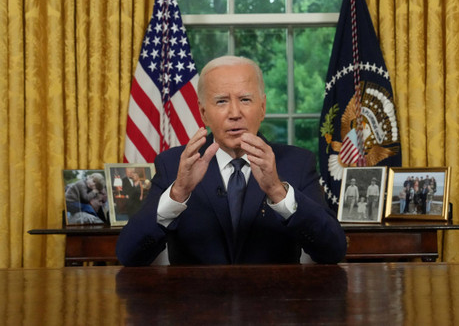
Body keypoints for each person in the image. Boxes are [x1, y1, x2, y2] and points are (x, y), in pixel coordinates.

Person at [116, 56, 347, 266]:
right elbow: (129, 255)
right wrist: (178, 193)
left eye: (245, 99)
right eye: (221, 101)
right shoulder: (173, 165)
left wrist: (278, 191)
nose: (235, 113)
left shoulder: (297, 163)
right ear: (203, 112)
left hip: (274, 307)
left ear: (263, 107)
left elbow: (333, 251)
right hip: (194, 309)